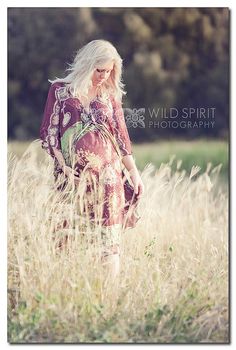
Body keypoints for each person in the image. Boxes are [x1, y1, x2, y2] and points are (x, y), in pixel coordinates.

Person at [39, 39, 144, 280]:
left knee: (108, 241)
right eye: (99, 70)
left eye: (108, 71)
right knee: (66, 237)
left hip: (108, 181)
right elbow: (49, 132)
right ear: (87, 64)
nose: (103, 77)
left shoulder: (109, 94)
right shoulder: (60, 91)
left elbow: (121, 136)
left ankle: (108, 298)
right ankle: (71, 294)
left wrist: (134, 172)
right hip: (71, 180)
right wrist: (63, 166)